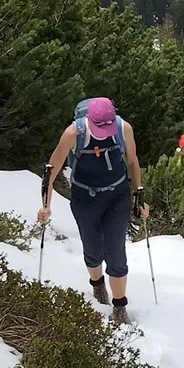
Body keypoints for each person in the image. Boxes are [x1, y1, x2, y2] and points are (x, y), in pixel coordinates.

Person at [38, 96, 149, 325]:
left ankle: (119, 307)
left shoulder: (122, 128)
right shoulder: (73, 133)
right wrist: (45, 206)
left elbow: (132, 161)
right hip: (84, 196)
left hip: (117, 195)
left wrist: (139, 195)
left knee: (116, 251)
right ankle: (98, 286)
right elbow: (51, 170)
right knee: (92, 247)